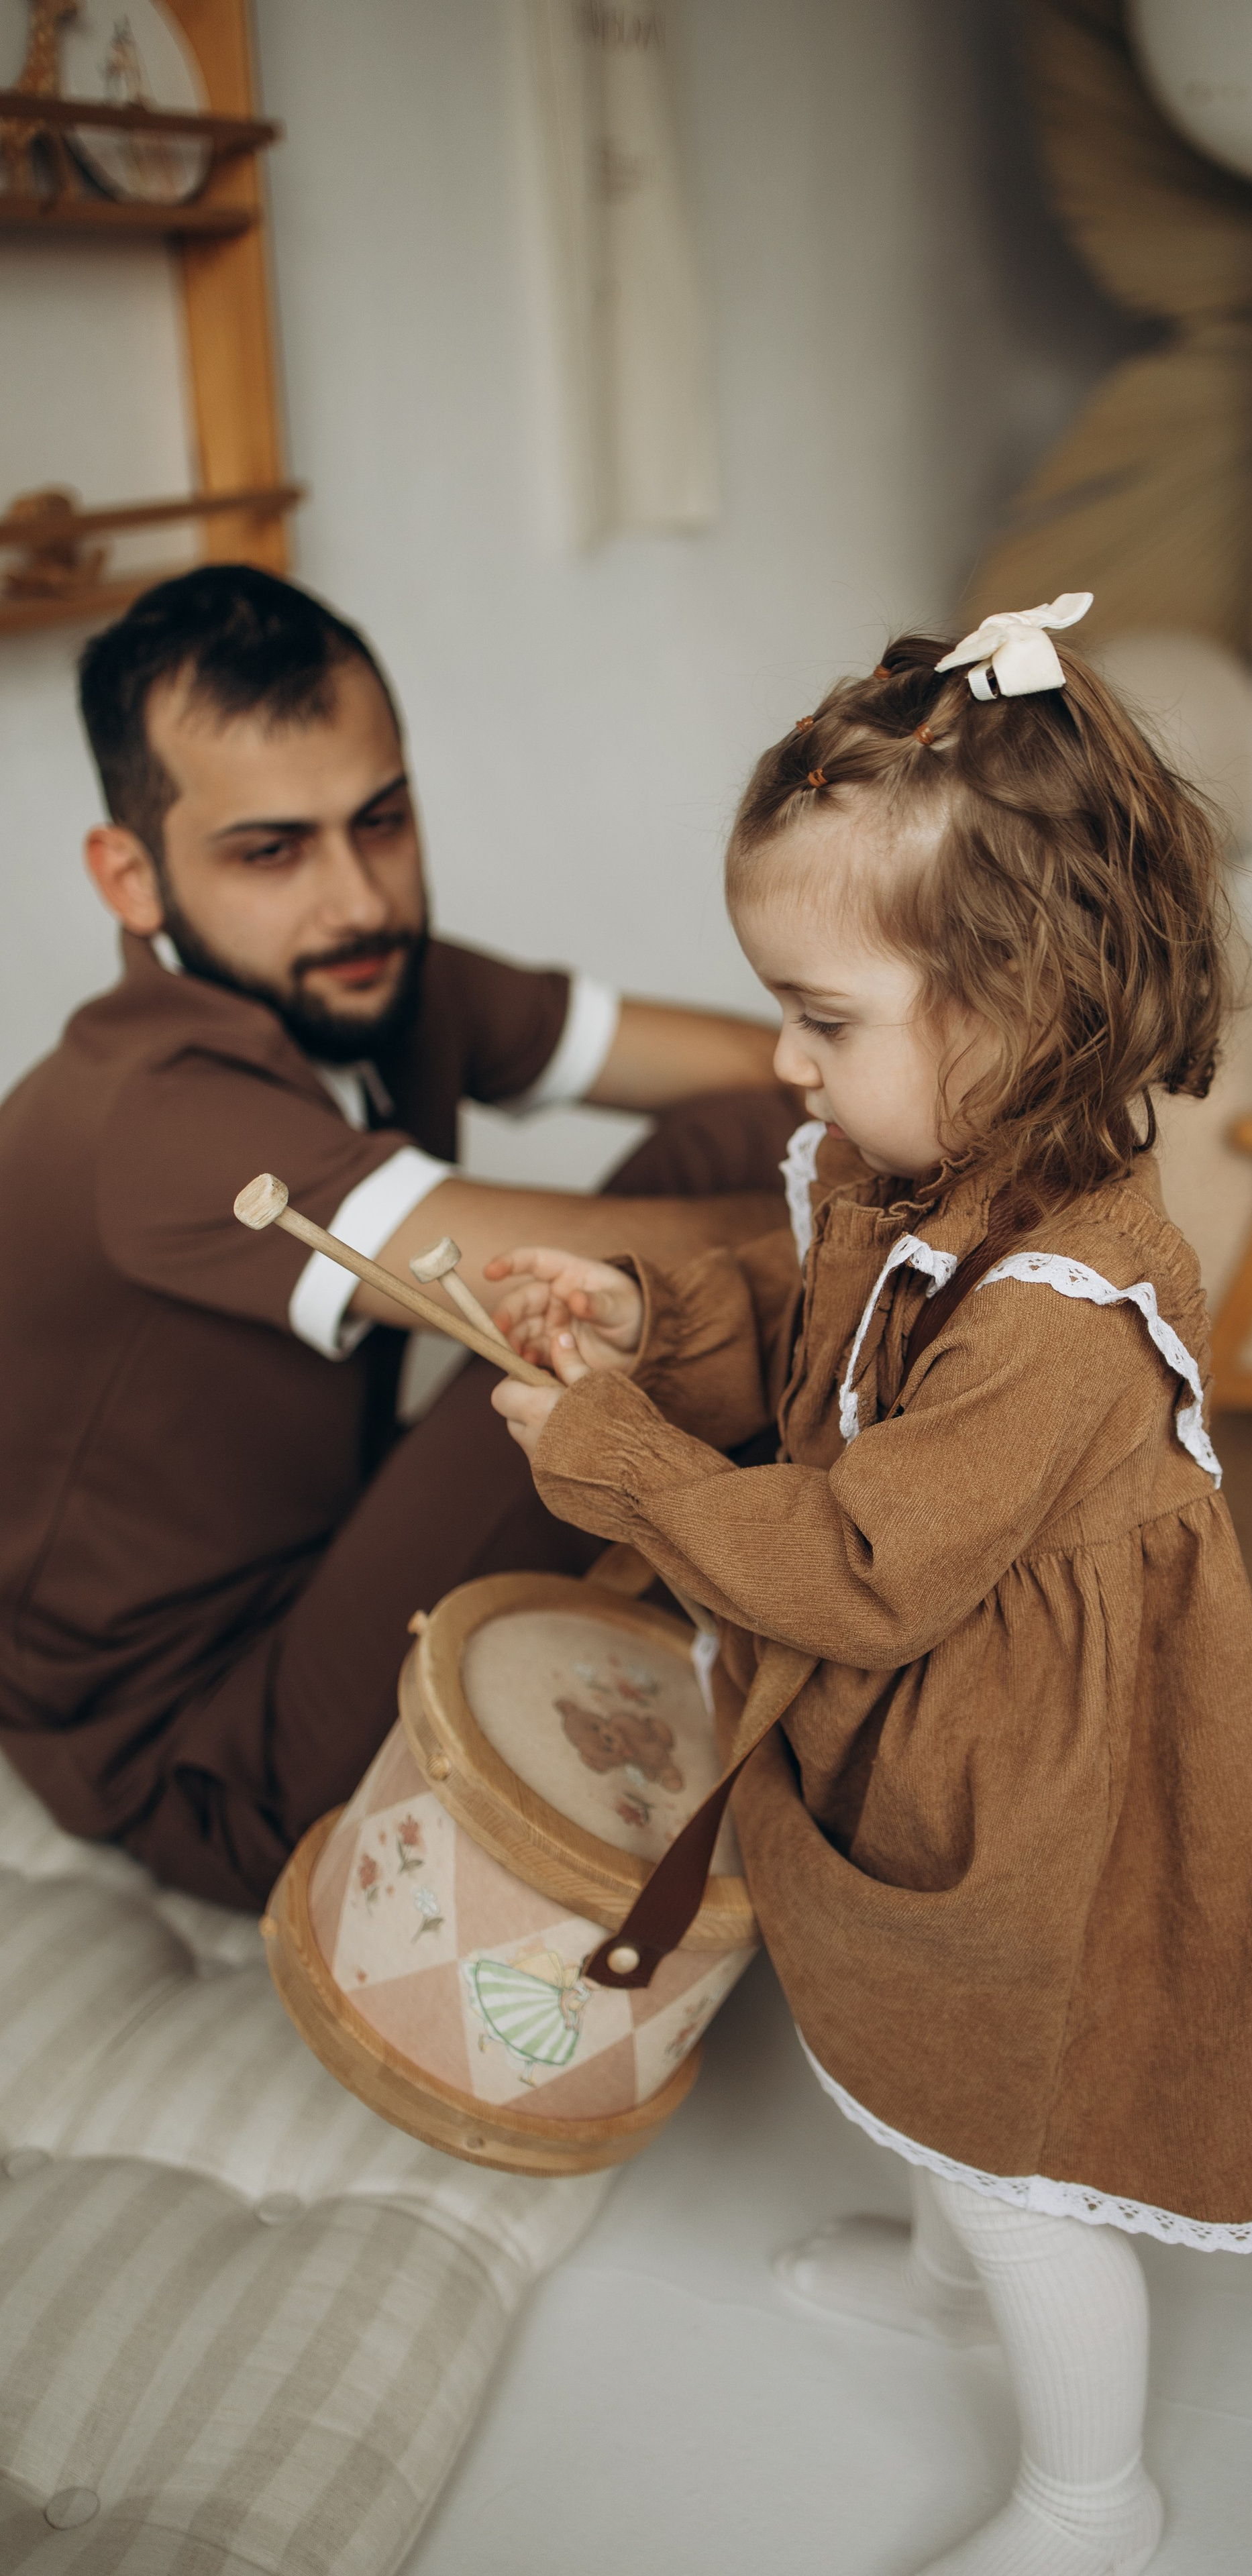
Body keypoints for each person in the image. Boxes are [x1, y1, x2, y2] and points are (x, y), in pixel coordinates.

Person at [486, 603, 1252, 2575]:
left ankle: (1093, 2499)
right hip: (932, 1731)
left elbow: (854, 1562)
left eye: (819, 1019)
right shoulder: (907, 1176)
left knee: (1017, 2148)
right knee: (928, 2068)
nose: (781, 1058)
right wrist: (646, 1319)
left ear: (1017, 1011)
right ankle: (940, 2277)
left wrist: (613, 1454)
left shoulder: (1062, 1319)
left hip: (1031, 1772)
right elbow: (804, 1323)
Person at [0, 565, 798, 1910]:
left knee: (746, 1158)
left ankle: (849, 1620)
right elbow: (565, 1301)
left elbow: (772, 1068)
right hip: (207, 1761)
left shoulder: (365, 977)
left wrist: (927, 1108)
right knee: (614, 1325)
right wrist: (942, 1221)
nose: (357, 899)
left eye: (381, 820)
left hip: (318, 1564)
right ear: (129, 878)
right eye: (270, 852)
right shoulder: (159, 1118)